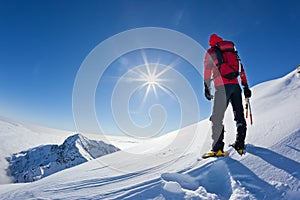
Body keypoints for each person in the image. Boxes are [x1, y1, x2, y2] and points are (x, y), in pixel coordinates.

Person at [202, 34, 252, 158]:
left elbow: (207, 69)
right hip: (236, 87)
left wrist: (207, 86)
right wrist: (245, 86)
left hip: (222, 87)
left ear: (211, 42)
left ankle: (218, 149)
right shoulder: (232, 52)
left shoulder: (211, 51)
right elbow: (241, 69)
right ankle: (240, 144)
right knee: (239, 115)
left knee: (217, 118)